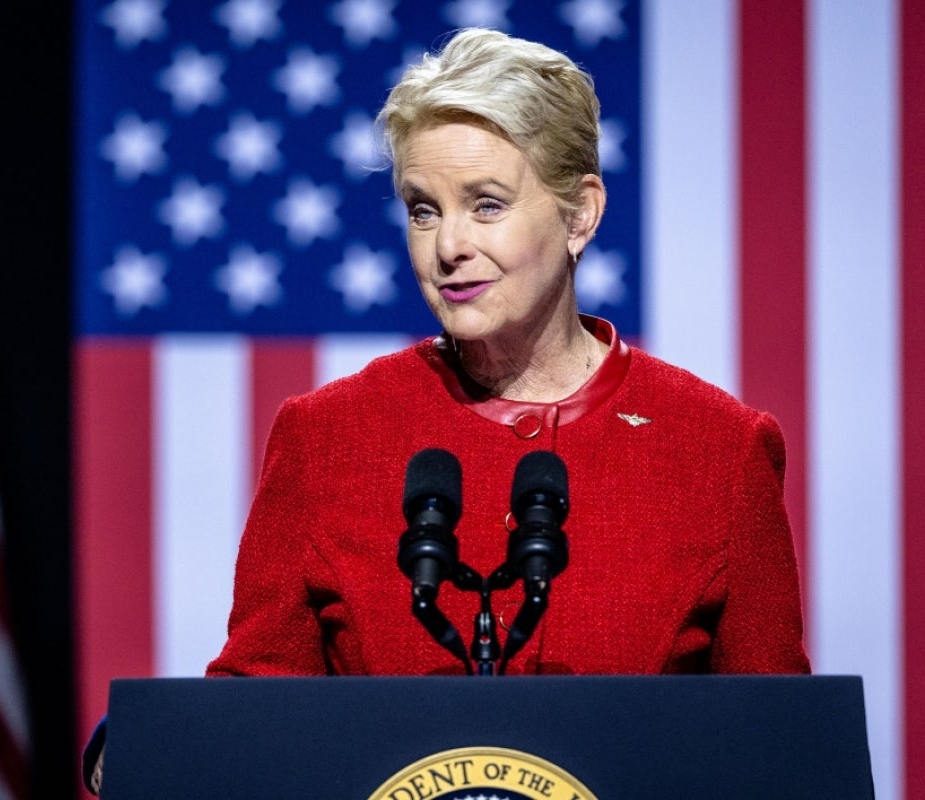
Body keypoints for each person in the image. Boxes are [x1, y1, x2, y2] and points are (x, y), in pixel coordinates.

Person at [83, 26, 808, 793]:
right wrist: (153, 745)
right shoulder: (327, 437)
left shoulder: (719, 450)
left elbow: (778, 746)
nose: (447, 246)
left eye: (486, 205)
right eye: (423, 210)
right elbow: (262, 700)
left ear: (580, 215)